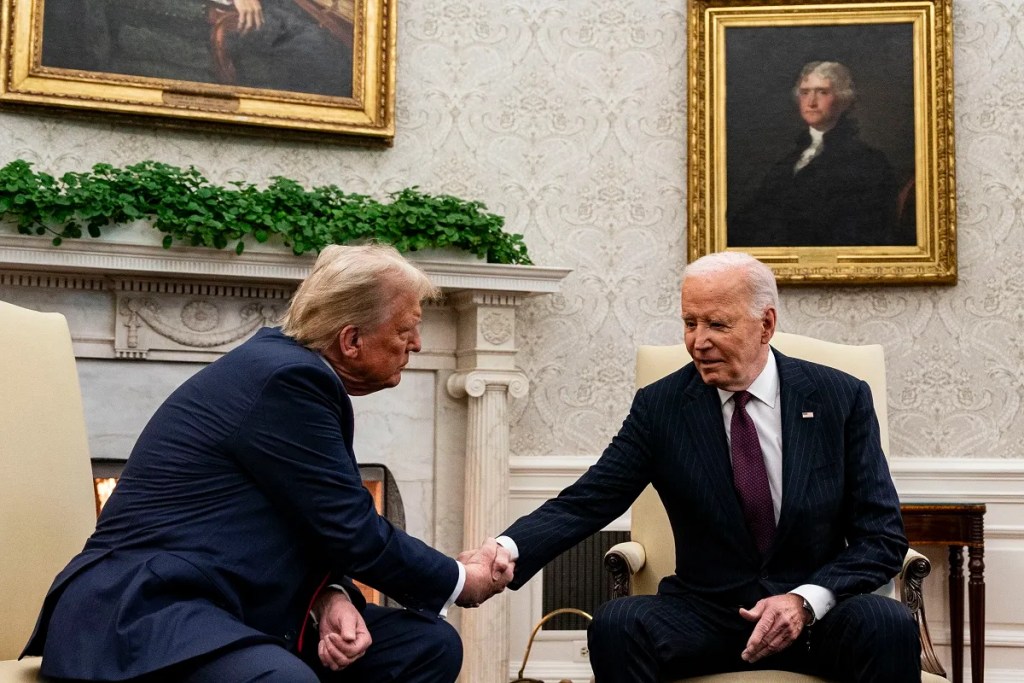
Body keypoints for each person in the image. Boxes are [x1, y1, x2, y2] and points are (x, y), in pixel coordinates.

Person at [21, 244, 513, 682]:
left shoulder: (287, 370)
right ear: (351, 340)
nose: (418, 345)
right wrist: (457, 578)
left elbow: (299, 521)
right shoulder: (286, 381)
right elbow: (350, 529)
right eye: (407, 330)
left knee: (426, 646)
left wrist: (330, 595)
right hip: (145, 611)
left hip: (233, 605)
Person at [498, 251, 919, 682]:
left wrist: (804, 600)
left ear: (766, 325)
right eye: (689, 323)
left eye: (717, 324)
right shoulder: (660, 406)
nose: (699, 341)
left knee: (886, 622)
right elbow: (587, 502)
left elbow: (881, 537)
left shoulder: (839, 398)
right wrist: (504, 551)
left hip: (815, 620)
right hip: (706, 617)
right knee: (617, 623)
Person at [728, 61, 912, 247]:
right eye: (805, 92)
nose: (811, 102)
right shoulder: (787, 161)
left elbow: (866, 233)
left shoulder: (869, 162)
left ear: (843, 100)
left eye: (822, 92)